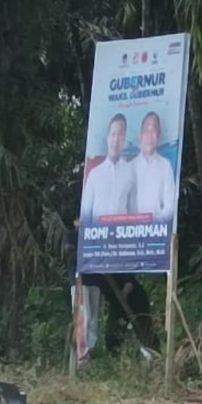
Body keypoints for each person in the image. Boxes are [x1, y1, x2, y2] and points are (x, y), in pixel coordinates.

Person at [80, 114, 136, 223]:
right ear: (108, 138)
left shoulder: (131, 173)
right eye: (113, 134)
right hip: (98, 237)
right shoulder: (94, 174)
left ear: (124, 139)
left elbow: (133, 212)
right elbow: (86, 214)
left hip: (121, 237)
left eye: (120, 134)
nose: (116, 139)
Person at [63, 218, 102, 365]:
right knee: (83, 315)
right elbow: (70, 257)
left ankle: (91, 349)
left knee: (93, 317)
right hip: (79, 280)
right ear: (75, 222)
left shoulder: (95, 234)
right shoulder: (71, 236)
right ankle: (82, 354)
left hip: (95, 280)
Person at [103, 274, 161, 356]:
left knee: (145, 329)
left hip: (135, 300)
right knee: (112, 332)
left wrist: (123, 297)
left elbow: (129, 282)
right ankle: (116, 355)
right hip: (116, 301)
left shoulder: (114, 266)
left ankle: (155, 352)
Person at [134, 112, 176, 222]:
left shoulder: (165, 166)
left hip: (156, 233)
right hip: (130, 234)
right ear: (140, 135)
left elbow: (170, 208)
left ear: (159, 135)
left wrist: (152, 222)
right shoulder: (130, 167)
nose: (149, 135)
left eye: (153, 130)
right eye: (146, 130)